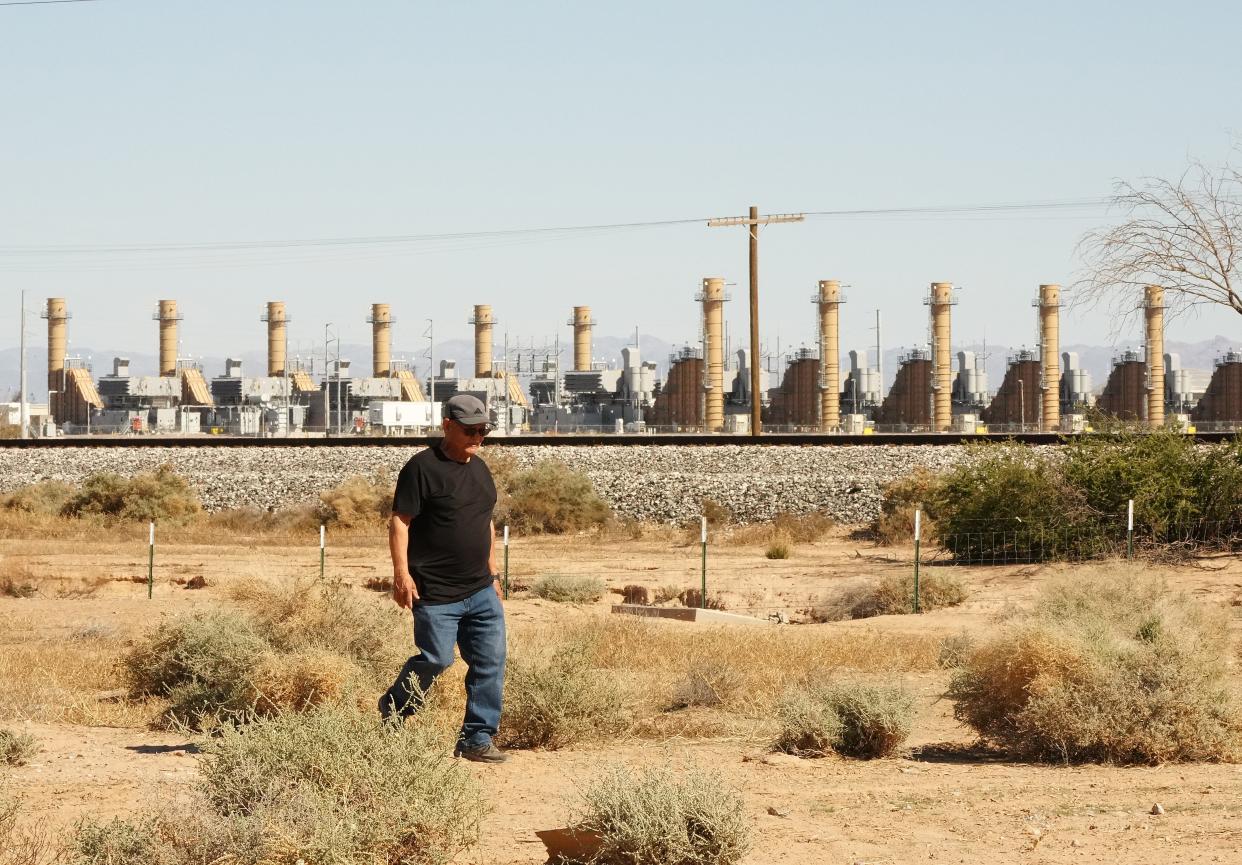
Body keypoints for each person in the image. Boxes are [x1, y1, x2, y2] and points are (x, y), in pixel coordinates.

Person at [379, 393, 508, 763]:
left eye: (484, 431)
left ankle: (477, 739)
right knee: (436, 660)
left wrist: (494, 572)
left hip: (481, 589)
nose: (478, 437)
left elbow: (487, 522)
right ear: (447, 426)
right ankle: (394, 707)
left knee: (491, 662)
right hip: (435, 592)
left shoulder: (480, 469)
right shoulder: (421, 468)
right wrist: (401, 575)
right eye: (470, 430)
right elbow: (400, 522)